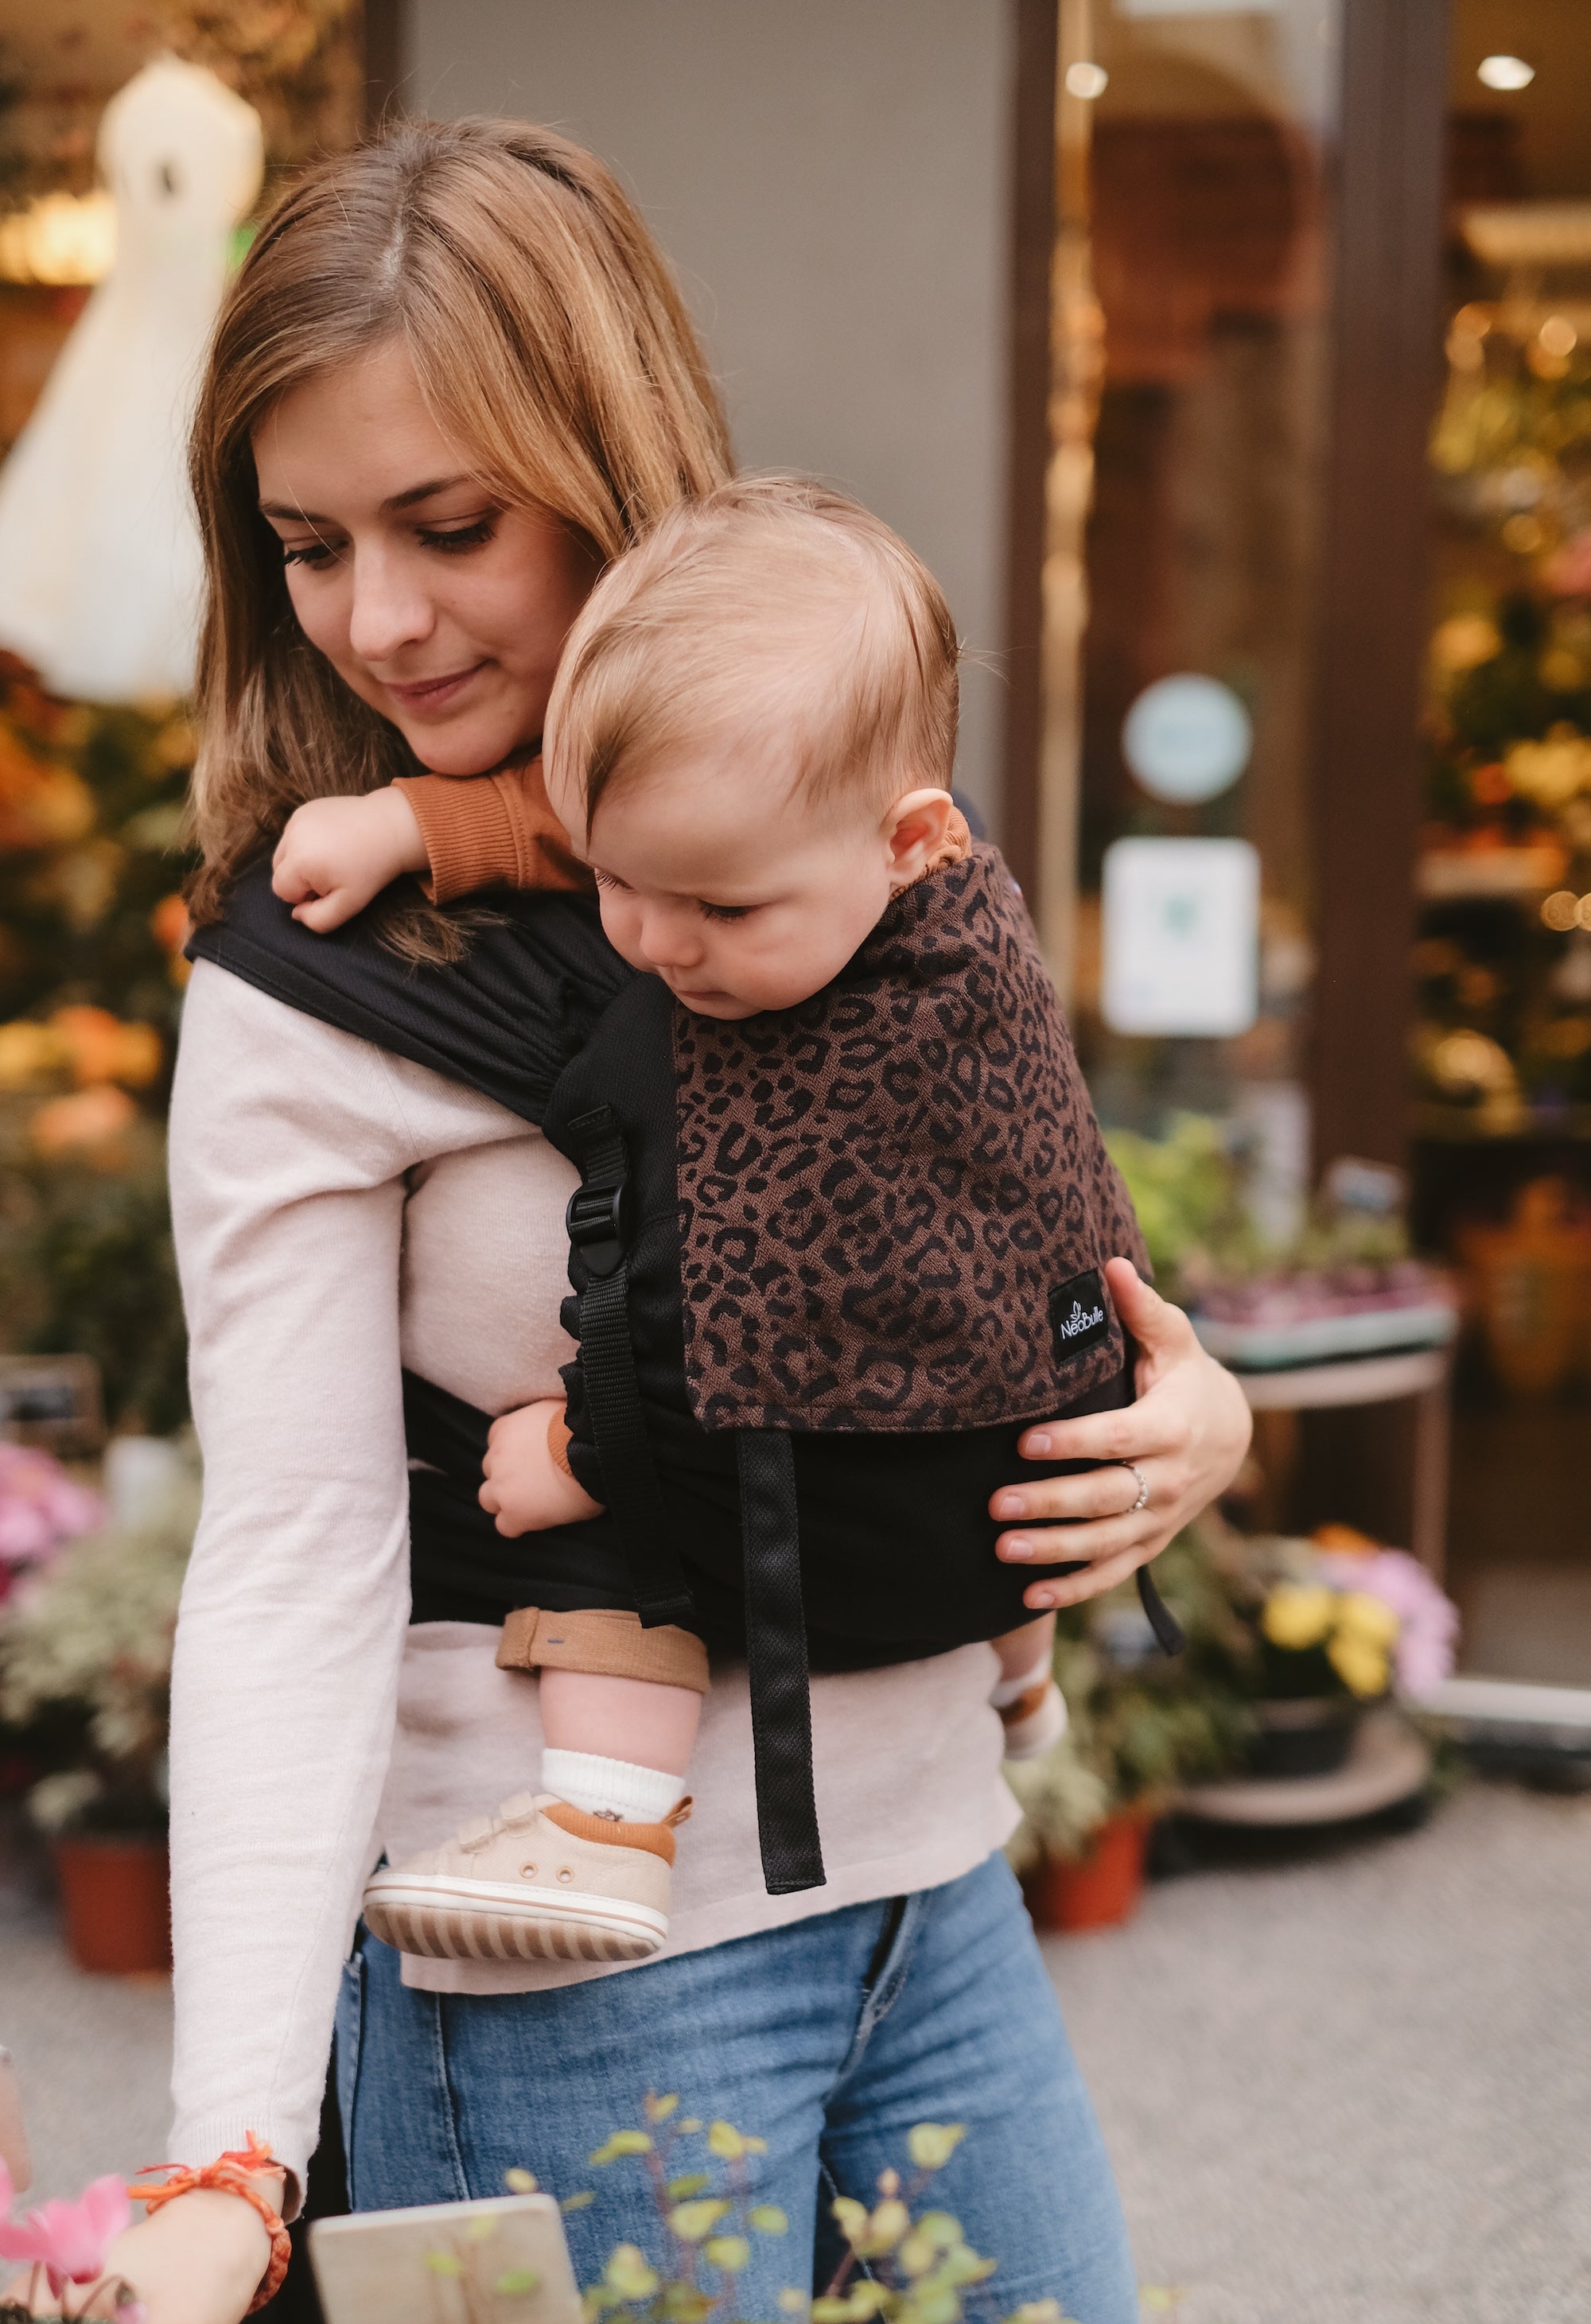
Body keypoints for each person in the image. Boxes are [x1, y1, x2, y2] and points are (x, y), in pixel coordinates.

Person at [68, 120, 1248, 2324]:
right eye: (308, 547)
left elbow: (1005, 1240)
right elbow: (298, 1554)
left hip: (934, 1896)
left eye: (451, 525)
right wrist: (232, 2149)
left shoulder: (839, 834)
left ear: (610, 470)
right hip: (560, 1974)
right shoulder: (309, 985)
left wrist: (1182, 1411)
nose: (382, 620)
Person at [270, 474, 1160, 1969]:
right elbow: (596, 817)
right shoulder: (849, 858)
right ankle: (1022, 1686)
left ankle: (607, 1829)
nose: (656, 942)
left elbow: (743, 1329)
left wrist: (576, 1445)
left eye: (724, 912)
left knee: (636, 1540)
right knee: (1011, 1530)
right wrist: (410, 826)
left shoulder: (879, 1061)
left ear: (913, 839)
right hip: (1009, 1482)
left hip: (902, 1494)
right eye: (621, 884)